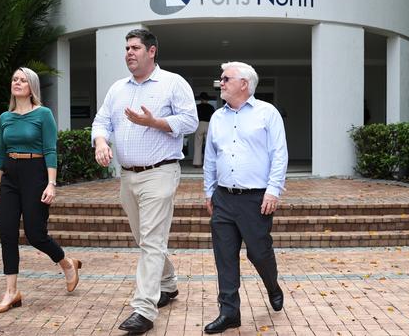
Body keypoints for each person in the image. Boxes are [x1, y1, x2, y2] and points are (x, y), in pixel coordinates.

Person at [91, 29, 198, 334]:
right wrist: (101, 142)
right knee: (145, 239)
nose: (129, 53)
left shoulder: (172, 83)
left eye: (135, 47)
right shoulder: (117, 89)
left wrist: (155, 122)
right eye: (126, 48)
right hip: (128, 176)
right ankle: (168, 283)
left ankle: (144, 309)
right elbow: (102, 121)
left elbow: (190, 121)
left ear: (152, 51)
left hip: (160, 172)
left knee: (151, 241)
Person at [203, 61, 288, 334]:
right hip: (224, 198)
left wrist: (273, 190)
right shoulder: (217, 117)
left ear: (244, 84)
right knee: (225, 257)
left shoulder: (267, 113)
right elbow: (210, 158)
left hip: (255, 199)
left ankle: (272, 286)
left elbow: (279, 154)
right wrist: (209, 191)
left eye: (226, 78)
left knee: (259, 253)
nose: (221, 83)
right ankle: (229, 312)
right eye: (221, 79)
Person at [0, 67, 82, 314]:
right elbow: (1, 151)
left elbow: (50, 150)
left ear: (32, 87)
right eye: (14, 79)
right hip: (10, 175)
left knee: (35, 234)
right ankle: (11, 292)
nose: (17, 83)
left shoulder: (43, 114)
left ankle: (66, 263)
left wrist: (51, 183)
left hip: (36, 173)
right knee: (7, 233)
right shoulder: (5, 117)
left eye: (23, 80)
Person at [192, 92, 216, 168]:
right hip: (208, 124)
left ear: (201, 99)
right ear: (207, 99)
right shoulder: (211, 107)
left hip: (199, 124)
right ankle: (208, 163)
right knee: (208, 145)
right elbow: (213, 117)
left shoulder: (197, 107)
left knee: (198, 144)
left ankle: (197, 163)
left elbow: (194, 117)